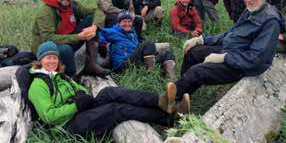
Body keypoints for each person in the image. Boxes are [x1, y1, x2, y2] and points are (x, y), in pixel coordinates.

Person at [28, 41, 190, 136]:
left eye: (55, 57)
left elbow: (81, 90)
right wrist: (76, 105)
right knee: (116, 110)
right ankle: (170, 118)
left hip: (79, 110)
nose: (52, 61)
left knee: (109, 92)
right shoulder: (38, 85)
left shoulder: (59, 75)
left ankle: (162, 101)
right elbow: (49, 117)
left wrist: (81, 95)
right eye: (48, 58)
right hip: (67, 125)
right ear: (40, 60)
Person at [174, 0, 285, 100]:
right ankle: (183, 90)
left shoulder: (271, 21)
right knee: (193, 52)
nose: (248, 0)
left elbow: (256, 58)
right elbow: (231, 33)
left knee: (197, 71)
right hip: (232, 50)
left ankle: (171, 99)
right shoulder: (250, 11)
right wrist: (202, 40)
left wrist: (224, 58)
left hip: (242, 65)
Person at [31, 0, 109, 77]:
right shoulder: (46, 11)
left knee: (91, 19)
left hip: (69, 38)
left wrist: (94, 27)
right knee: (65, 49)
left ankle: (92, 64)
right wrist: (79, 37)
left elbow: (97, 11)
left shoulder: (73, 5)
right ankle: (71, 77)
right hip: (48, 47)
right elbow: (48, 38)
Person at [98, 11, 177, 79]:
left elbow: (136, 48)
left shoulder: (132, 33)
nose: (127, 24)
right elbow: (100, 33)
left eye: (129, 21)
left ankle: (171, 80)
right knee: (147, 44)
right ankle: (151, 75)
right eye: (124, 21)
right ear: (119, 23)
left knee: (168, 54)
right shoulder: (113, 31)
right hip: (122, 64)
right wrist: (102, 44)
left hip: (134, 62)